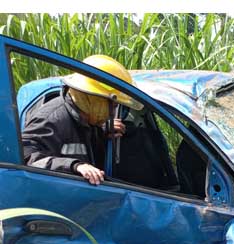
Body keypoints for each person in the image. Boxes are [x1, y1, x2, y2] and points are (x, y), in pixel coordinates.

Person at [21, 54, 143, 185]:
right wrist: (75, 166)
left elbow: (78, 139)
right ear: (95, 100)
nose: (112, 113)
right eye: (113, 106)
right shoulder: (52, 119)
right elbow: (25, 157)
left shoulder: (87, 118)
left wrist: (102, 131)